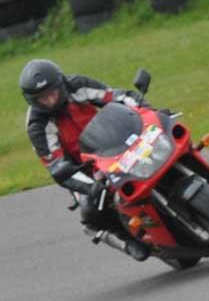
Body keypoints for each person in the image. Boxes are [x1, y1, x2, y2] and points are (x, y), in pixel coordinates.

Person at [20, 59, 149, 260]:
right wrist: (91, 187)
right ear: (32, 100)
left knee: (161, 143)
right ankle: (126, 239)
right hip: (82, 168)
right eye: (42, 98)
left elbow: (118, 97)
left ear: (60, 83)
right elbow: (56, 166)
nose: (50, 100)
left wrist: (147, 111)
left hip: (117, 142)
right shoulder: (37, 125)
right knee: (90, 209)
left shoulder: (77, 85)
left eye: (52, 93)